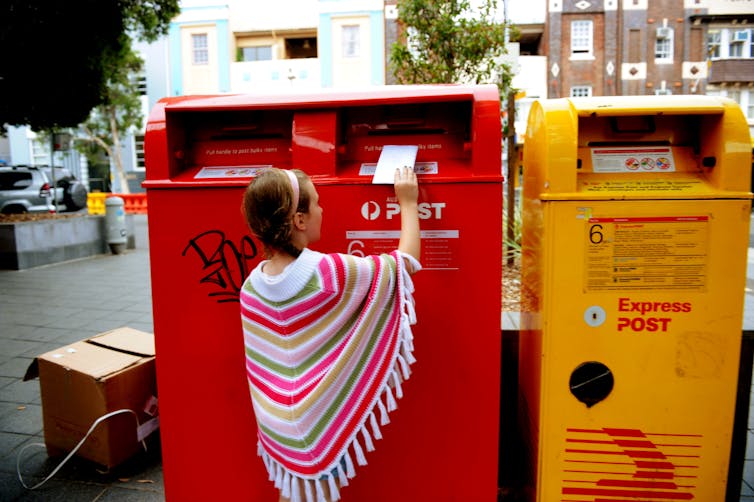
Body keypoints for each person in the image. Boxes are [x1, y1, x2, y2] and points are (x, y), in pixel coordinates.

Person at [240, 167, 421, 502]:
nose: (323, 210)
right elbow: (403, 264)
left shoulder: (251, 288)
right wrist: (408, 203)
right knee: (316, 494)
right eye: (317, 204)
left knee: (295, 492)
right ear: (299, 220)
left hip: (275, 423)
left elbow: (266, 363)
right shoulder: (328, 273)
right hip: (319, 419)